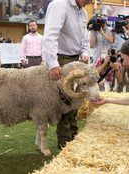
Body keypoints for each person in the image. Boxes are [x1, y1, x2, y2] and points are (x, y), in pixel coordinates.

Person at [43, 0, 92, 149]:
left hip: (76, 59)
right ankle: (64, 141)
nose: (90, 2)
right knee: (65, 102)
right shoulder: (60, 5)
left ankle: (74, 134)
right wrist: (53, 63)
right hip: (61, 58)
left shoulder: (82, 12)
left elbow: (85, 37)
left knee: (76, 100)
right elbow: (51, 35)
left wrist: (85, 52)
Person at [92, 40, 129, 106]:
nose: (112, 57)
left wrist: (116, 69)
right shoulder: (100, 60)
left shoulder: (118, 64)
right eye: (111, 54)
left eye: (115, 55)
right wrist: (104, 64)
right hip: (100, 91)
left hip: (111, 92)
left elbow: (121, 81)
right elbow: (93, 75)